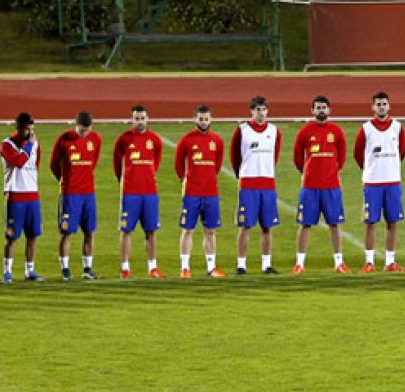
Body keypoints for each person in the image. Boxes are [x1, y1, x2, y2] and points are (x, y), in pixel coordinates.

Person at [292, 96, 351, 274]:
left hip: (331, 186)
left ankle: (339, 262)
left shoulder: (337, 131)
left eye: (324, 107)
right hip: (310, 186)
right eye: (318, 107)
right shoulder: (304, 132)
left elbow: (341, 157)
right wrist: (308, 172)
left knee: (334, 224)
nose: (321, 110)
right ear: (312, 110)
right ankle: (300, 263)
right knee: (305, 224)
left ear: (329, 110)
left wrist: (332, 171)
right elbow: (297, 158)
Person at [353, 91, 405, 273]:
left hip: (393, 182)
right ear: (373, 107)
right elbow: (358, 154)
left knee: (392, 222)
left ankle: (390, 261)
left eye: (384, 103)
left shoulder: (398, 128)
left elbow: (402, 152)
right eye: (378, 104)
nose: (381, 107)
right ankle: (369, 262)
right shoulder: (366, 128)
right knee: (370, 222)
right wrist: (370, 170)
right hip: (373, 183)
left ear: (389, 106)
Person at [231, 96, 281, 275]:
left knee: (267, 226)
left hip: (267, 184)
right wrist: (242, 174)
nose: (261, 113)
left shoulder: (275, 131)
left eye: (264, 109)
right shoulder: (242, 130)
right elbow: (235, 156)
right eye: (258, 109)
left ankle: (266, 265)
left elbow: (274, 156)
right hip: (249, 184)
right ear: (251, 111)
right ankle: (241, 265)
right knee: (245, 225)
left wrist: (267, 172)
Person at [175, 104, 227, 278]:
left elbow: (217, 165)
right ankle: (184, 268)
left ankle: (211, 267)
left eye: (206, 119)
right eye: (200, 119)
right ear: (194, 119)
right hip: (191, 193)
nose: (203, 122)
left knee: (210, 230)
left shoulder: (217, 141)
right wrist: (187, 182)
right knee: (188, 230)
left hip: (211, 193)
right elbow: (178, 165)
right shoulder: (186, 140)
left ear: (211, 119)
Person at [113, 104, 164, 279]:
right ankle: (125, 268)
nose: (140, 122)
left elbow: (155, 163)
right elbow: (116, 163)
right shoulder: (123, 139)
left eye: (142, 118)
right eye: (137, 118)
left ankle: (153, 268)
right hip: (130, 193)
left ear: (147, 119)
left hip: (150, 193)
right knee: (126, 230)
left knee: (151, 230)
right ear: (131, 119)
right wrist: (126, 181)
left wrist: (147, 177)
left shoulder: (155, 140)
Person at [50, 111, 101, 281]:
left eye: (87, 130)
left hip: (88, 193)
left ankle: (87, 268)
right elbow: (53, 164)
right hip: (70, 194)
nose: (84, 133)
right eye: (81, 129)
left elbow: (94, 161)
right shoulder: (64, 139)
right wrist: (64, 179)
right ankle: (65, 268)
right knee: (66, 232)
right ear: (75, 124)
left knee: (89, 231)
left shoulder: (96, 140)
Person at [0, 112, 44, 283]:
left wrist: (31, 145)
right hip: (15, 194)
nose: (30, 133)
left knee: (33, 235)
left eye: (31, 130)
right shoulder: (6, 145)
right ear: (18, 128)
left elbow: (35, 166)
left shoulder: (35, 144)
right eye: (27, 130)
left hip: (32, 194)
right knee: (12, 236)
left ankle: (30, 270)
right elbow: (19, 162)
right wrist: (28, 146)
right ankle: (7, 271)